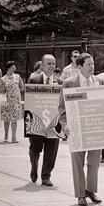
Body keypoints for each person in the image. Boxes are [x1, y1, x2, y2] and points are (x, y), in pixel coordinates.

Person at [58, 53, 104, 206]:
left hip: (94, 128)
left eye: (93, 64)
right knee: (78, 162)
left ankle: (90, 190)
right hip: (76, 129)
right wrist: (64, 124)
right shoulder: (68, 83)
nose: (92, 67)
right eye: (89, 64)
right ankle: (80, 194)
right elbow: (62, 108)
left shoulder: (99, 81)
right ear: (79, 67)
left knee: (94, 162)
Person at [27, 54, 63, 186]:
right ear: (42, 65)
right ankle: (34, 165)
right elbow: (30, 101)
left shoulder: (59, 82)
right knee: (34, 148)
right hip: (37, 121)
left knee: (51, 150)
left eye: (54, 63)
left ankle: (46, 176)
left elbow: (62, 102)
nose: (52, 66)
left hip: (53, 122)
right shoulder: (34, 79)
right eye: (49, 63)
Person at [0, 61, 24, 143]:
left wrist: (16, 92)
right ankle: (6, 135)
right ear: (9, 68)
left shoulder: (17, 77)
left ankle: (14, 137)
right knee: (6, 120)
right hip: (6, 102)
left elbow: (22, 87)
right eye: (13, 66)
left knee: (14, 120)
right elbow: (1, 90)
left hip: (15, 102)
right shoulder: (3, 79)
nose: (15, 68)